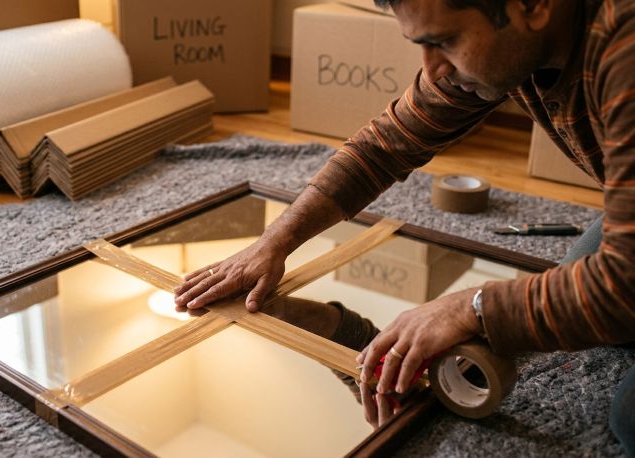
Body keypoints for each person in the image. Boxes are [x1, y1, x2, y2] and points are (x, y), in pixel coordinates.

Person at [173, 0, 635, 453]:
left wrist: (469, 308)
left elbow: (622, 287)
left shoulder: (624, 49)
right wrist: (273, 243)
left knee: (628, 416)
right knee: (578, 294)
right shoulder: (505, 45)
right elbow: (384, 147)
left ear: (533, 7)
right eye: (422, 44)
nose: (432, 69)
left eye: (445, 41)